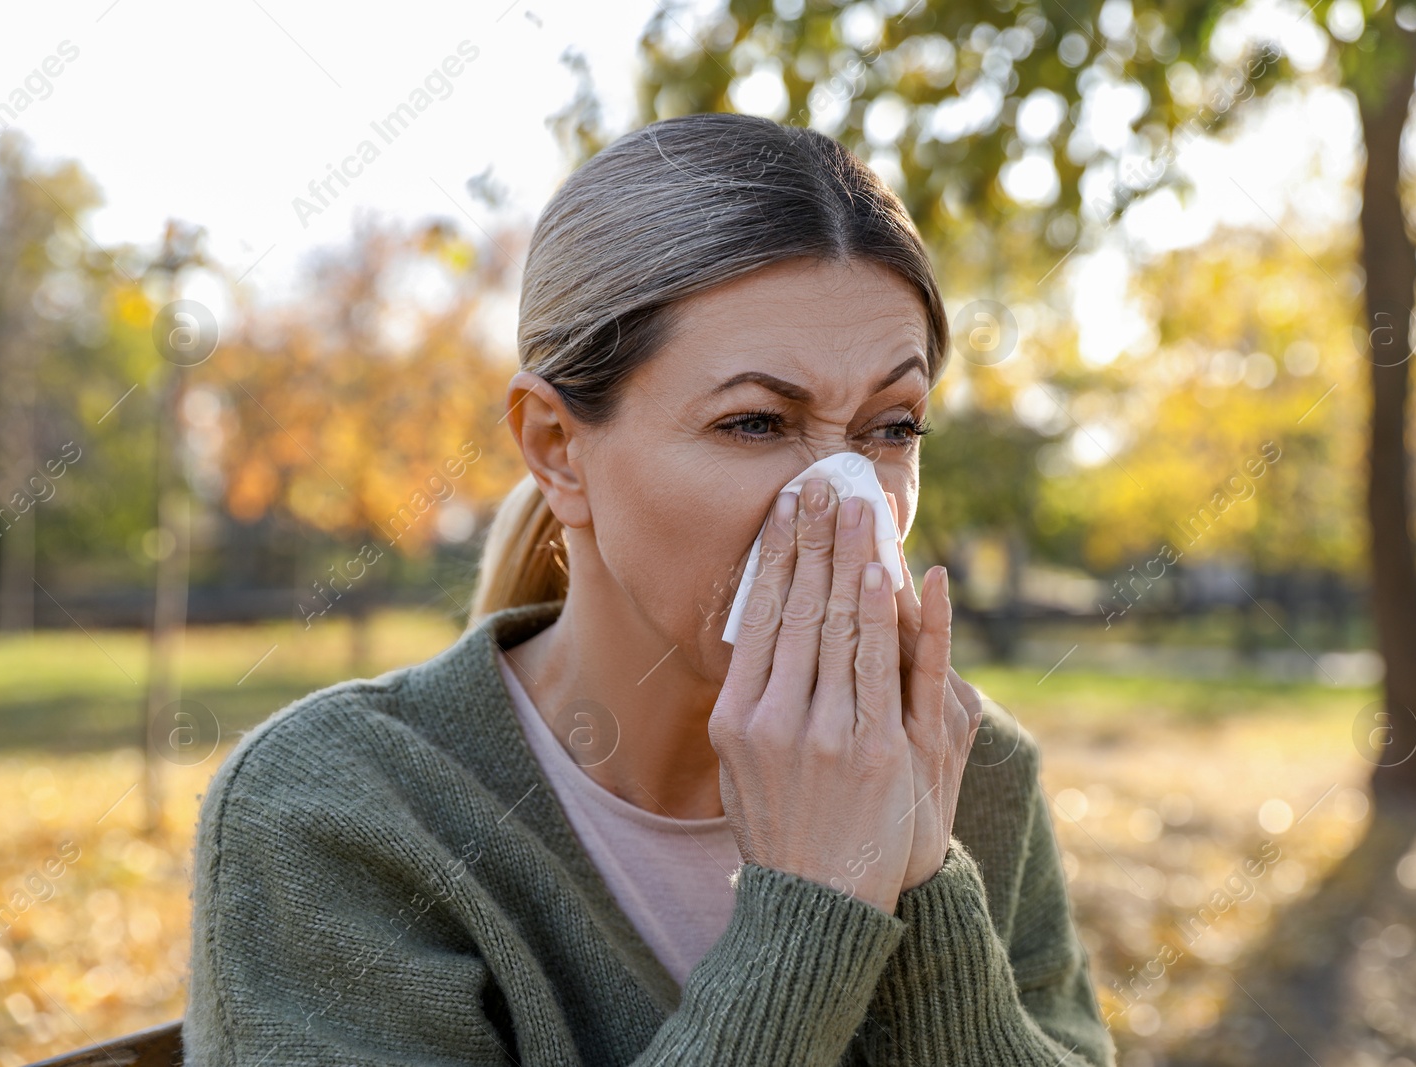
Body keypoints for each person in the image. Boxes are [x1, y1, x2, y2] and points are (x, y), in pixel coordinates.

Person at [183, 111, 1115, 1066]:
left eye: (892, 427)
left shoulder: (976, 771)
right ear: (557, 449)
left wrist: (926, 893)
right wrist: (815, 912)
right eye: (755, 422)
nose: (846, 504)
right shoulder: (340, 811)